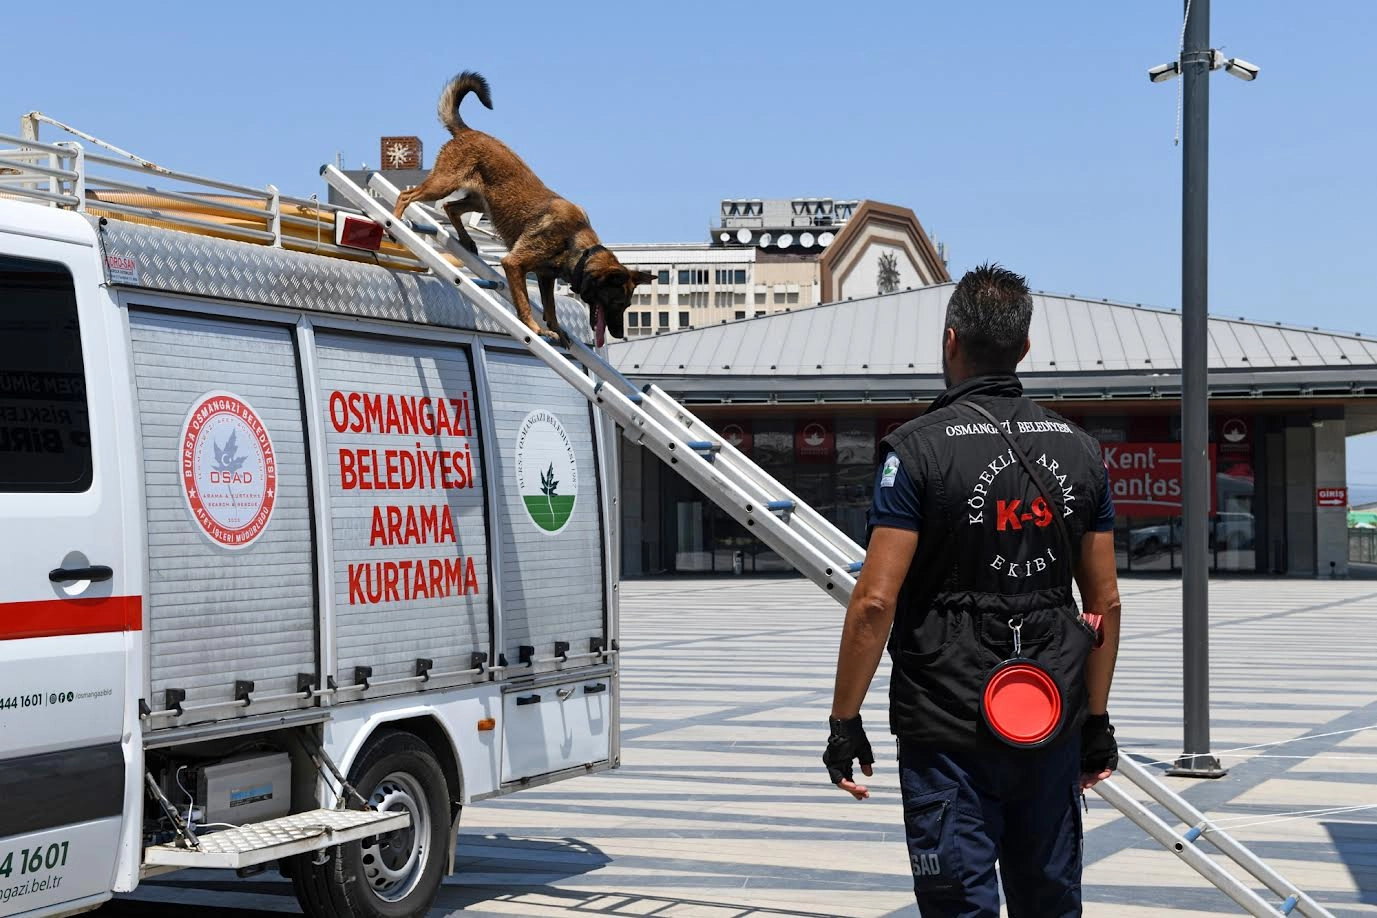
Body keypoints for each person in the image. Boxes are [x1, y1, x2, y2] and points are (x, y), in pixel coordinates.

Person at [823, 264, 1122, 917]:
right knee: (1050, 901)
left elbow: (874, 600)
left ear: (950, 340)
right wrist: (1095, 722)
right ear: (1024, 347)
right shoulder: (1079, 451)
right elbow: (1104, 605)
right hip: (1050, 714)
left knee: (959, 904)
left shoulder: (915, 451)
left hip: (946, 724)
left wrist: (844, 720)